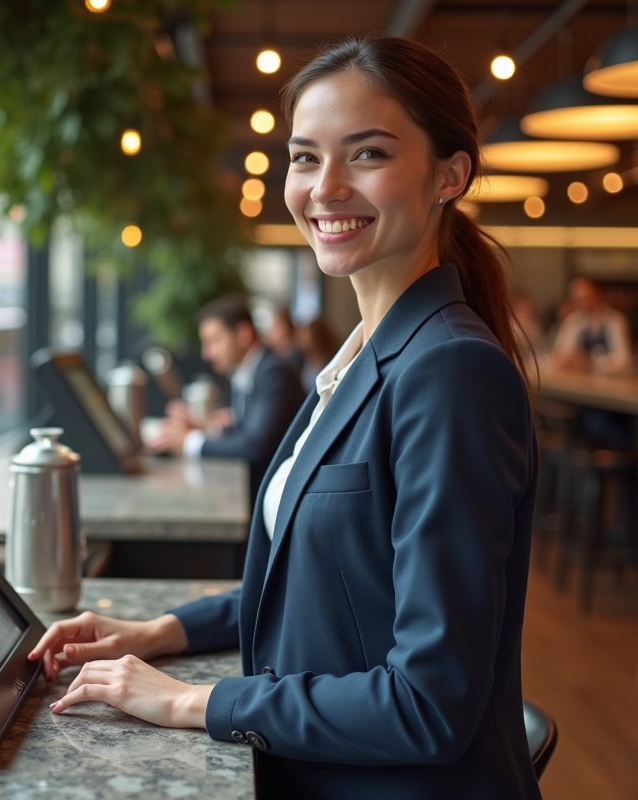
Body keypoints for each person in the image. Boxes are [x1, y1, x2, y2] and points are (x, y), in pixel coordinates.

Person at [29, 38, 542, 799]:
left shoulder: (449, 370)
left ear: (449, 174)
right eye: (305, 158)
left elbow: (430, 704)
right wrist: (158, 632)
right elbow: (322, 584)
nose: (326, 187)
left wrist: (189, 701)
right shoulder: (362, 353)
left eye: (366, 153)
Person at [146, 295, 305, 502]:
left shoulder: (274, 373)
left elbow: (254, 446)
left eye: (214, 341)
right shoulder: (247, 372)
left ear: (243, 334)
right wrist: (202, 429)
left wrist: (187, 442)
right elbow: (244, 430)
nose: (206, 353)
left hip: (278, 498)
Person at [552, 276, 632, 375]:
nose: (580, 302)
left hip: (607, 382)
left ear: (598, 295)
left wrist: (590, 362)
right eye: (577, 299)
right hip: (577, 381)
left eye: (585, 297)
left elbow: (623, 361)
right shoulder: (573, 320)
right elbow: (559, 353)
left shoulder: (614, 320)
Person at [263, 307, 304, 372]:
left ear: (284, 328)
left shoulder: (296, 357)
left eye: (275, 328)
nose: (270, 332)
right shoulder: (275, 354)